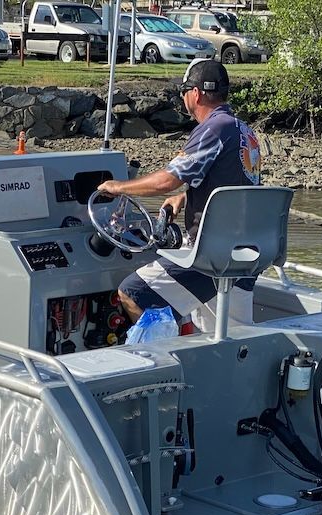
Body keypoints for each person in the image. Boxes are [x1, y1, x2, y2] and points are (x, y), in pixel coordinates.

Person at [96, 59, 261, 332]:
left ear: (195, 94)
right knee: (229, 339)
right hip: (246, 255)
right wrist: (185, 198)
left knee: (132, 292)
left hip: (212, 257)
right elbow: (235, 188)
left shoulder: (212, 129)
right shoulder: (245, 132)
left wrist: (118, 187)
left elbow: (167, 180)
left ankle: (163, 365)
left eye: (184, 91)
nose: (183, 97)